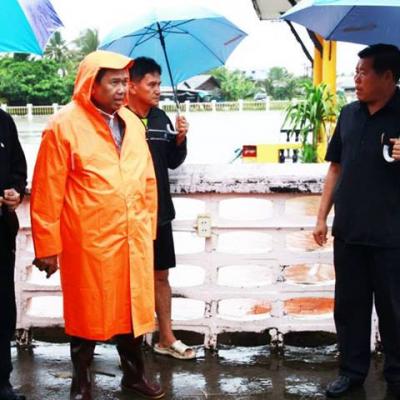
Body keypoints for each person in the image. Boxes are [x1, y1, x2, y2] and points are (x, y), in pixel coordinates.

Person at [30, 51, 164, 400]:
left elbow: (147, 179)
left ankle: (134, 375)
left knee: (132, 307)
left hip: (132, 234)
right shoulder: (63, 125)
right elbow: (47, 190)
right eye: (114, 82)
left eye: (125, 82)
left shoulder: (132, 122)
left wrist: (148, 228)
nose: (123, 89)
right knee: (86, 310)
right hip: (88, 238)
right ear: (92, 84)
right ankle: (81, 382)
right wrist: (47, 247)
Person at [313, 44, 400, 399]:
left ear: (388, 77)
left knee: (395, 310)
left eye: (364, 72)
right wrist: (321, 216)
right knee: (349, 309)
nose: (357, 78)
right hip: (349, 232)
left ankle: (397, 375)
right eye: (356, 71)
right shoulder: (349, 114)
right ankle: (351, 372)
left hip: (392, 236)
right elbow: (335, 167)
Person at [128, 57, 195, 360]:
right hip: (130, 214)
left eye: (159, 84)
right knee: (126, 280)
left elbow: (172, 161)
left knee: (160, 276)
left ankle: (166, 337)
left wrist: (180, 139)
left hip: (160, 213)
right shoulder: (119, 119)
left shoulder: (160, 118)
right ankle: (128, 345)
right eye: (151, 84)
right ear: (132, 86)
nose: (157, 90)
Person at [0, 110, 27, 400]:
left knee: (3, 307)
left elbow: (18, 169)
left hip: (1, 232)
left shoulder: (4, 122)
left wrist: (15, 192)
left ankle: (2, 381)